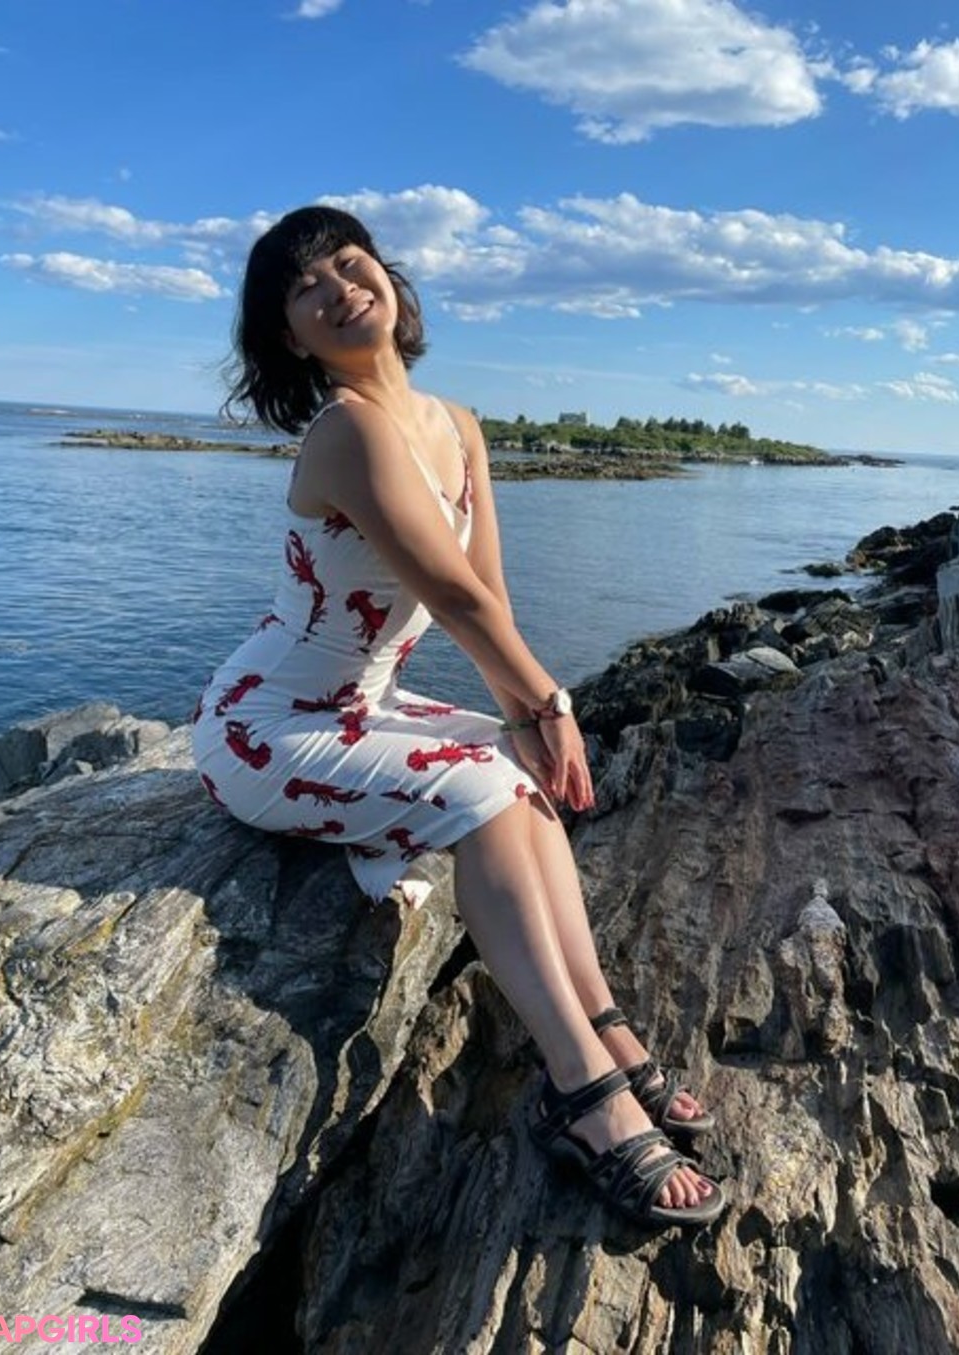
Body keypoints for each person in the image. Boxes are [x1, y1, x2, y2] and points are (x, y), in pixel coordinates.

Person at [192, 205, 725, 1227]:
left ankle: (604, 1023)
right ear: (290, 338)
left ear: (390, 281)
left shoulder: (459, 424)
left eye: (351, 263)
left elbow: (490, 593)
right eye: (306, 288)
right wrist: (547, 700)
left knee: (514, 770)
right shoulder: (346, 431)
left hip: (365, 700)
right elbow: (448, 594)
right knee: (484, 787)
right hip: (267, 722)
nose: (339, 288)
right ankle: (583, 1090)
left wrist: (524, 715)